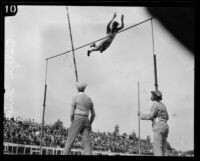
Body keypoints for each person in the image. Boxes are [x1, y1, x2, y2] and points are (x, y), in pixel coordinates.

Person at [63, 81, 96, 155]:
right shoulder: (89, 99)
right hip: (86, 120)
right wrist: (89, 124)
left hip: (77, 118)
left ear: (77, 89)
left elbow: (71, 114)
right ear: (84, 88)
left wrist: (73, 122)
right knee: (87, 144)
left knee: (69, 141)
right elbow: (93, 114)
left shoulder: (75, 98)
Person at [138, 90, 169, 156]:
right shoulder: (163, 105)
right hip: (165, 126)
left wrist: (141, 115)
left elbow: (150, 116)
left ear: (154, 96)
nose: (151, 95)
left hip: (159, 127)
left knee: (157, 148)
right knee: (164, 149)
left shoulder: (155, 104)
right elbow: (167, 117)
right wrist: (156, 118)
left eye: (152, 94)